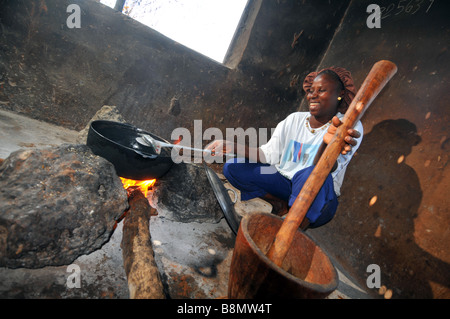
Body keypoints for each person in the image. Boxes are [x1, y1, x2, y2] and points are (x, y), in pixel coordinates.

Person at [206, 67, 363, 229]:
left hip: (319, 199)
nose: (312, 95)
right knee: (233, 167)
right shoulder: (294, 120)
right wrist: (231, 146)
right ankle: (281, 204)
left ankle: (291, 229)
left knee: (310, 174)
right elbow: (268, 155)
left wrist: (326, 146)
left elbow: (323, 170)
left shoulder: (348, 125)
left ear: (341, 94)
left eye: (321, 90)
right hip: (285, 184)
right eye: (310, 91)